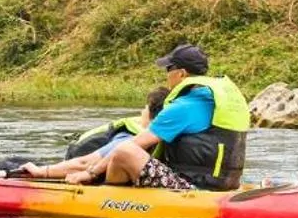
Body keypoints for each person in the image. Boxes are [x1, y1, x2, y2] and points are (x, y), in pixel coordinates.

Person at [79, 44, 251, 192]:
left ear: (182, 74)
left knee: (125, 152)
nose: (167, 74)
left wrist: (90, 173)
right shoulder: (217, 99)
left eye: (169, 69)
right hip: (225, 185)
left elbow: (133, 145)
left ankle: (109, 198)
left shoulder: (184, 106)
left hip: (192, 187)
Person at [17, 86, 171, 181]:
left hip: (80, 167)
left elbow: (85, 164)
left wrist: (41, 172)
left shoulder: (129, 139)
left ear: (151, 113)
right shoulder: (168, 135)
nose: (141, 112)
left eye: (144, 108)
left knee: (13, 163)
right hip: (73, 163)